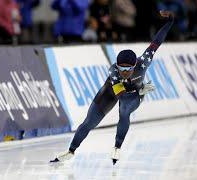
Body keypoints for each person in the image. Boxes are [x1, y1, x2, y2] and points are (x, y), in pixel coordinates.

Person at [50, 10, 174, 165]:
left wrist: (169, 22)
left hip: (135, 94)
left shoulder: (144, 62)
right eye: (121, 68)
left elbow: (156, 43)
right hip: (115, 92)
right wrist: (138, 89)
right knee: (89, 122)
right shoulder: (113, 71)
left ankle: (117, 146)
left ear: (135, 65)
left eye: (128, 69)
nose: (125, 72)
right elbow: (122, 95)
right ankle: (71, 150)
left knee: (125, 111)